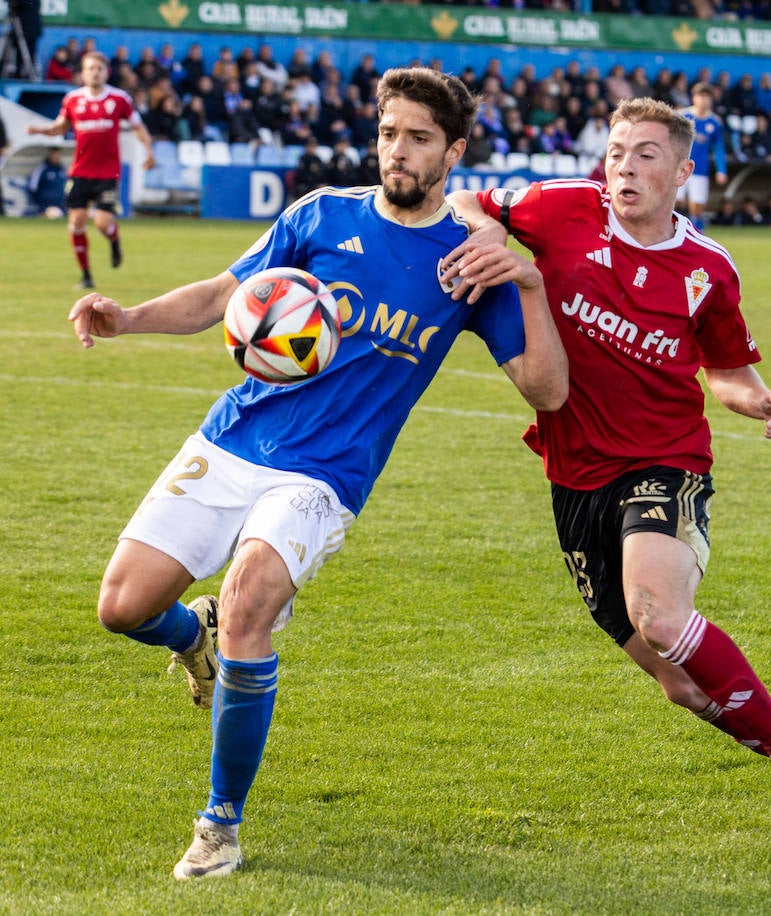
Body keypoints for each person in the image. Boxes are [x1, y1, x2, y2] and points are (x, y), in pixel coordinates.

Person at [66, 66, 567, 881]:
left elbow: (547, 389)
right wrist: (128, 317)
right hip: (235, 438)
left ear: (454, 152)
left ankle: (219, 824)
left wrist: (531, 285)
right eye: (388, 133)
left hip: (326, 474)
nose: (397, 152)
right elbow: (223, 295)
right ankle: (194, 639)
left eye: (418, 138)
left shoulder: (471, 262)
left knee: (252, 605)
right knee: (121, 608)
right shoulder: (322, 213)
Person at [442, 96, 771, 844]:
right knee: (679, 685)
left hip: (664, 461)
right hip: (572, 474)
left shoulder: (708, 268)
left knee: (661, 614)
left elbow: (729, 373)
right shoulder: (556, 209)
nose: (625, 166)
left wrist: (764, 399)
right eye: (617, 150)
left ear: (683, 172)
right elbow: (461, 196)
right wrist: (489, 228)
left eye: (647, 153)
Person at [26, 51, 155, 290]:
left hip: (107, 173)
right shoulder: (73, 99)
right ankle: (86, 275)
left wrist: (149, 152)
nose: (95, 72)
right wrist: (39, 131)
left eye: (99, 68)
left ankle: (113, 238)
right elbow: (59, 128)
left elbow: (138, 127)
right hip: (80, 171)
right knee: (76, 221)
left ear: (107, 72)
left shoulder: (119, 99)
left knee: (102, 223)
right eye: (90, 68)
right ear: (83, 73)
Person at [677, 82, 728, 231]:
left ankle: (695, 236)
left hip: (699, 169)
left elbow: (718, 148)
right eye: (701, 97)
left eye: (707, 97)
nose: (704, 101)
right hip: (679, 168)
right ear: (694, 98)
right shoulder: (682, 117)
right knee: (676, 202)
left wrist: (721, 170)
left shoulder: (715, 122)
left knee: (697, 206)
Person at [29, 147, 68, 215]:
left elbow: (68, 185)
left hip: (61, 206)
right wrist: (38, 205)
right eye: (55, 154)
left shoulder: (63, 170)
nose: (57, 156)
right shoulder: (42, 169)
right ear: (50, 155)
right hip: (44, 206)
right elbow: (33, 187)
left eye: (58, 154)